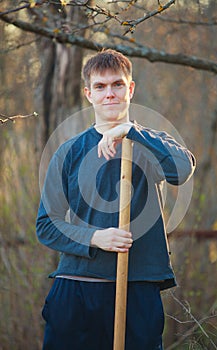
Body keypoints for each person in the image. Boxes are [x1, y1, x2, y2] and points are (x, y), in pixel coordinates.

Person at [36, 49, 196, 350]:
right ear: (89, 94)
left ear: (131, 89)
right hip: (78, 288)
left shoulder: (152, 143)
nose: (109, 93)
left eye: (117, 85)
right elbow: (47, 225)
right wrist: (95, 237)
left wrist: (131, 131)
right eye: (100, 86)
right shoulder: (69, 152)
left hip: (137, 288)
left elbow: (182, 169)